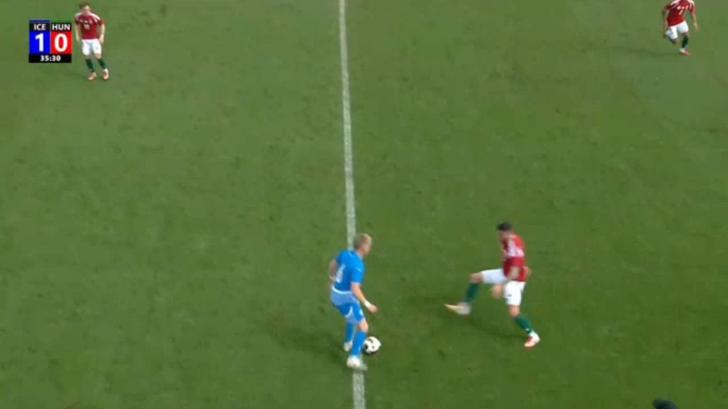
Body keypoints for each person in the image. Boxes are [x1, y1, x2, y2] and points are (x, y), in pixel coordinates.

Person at [445, 222, 541, 348]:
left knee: (514, 312)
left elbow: (514, 272)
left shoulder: (514, 249)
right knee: (475, 278)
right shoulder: (509, 240)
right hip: (505, 273)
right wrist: (506, 258)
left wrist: (500, 286)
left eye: (500, 235)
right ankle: (465, 307)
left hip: (514, 280)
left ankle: (533, 336)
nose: (498, 237)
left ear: (508, 233)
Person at [329, 233, 378, 371]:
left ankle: (348, 343)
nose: (370, 248)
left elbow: (333, 264)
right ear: (363, 247)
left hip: (336, 293)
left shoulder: (345, 254)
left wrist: (331, 279)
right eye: (369, 245)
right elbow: (355, 288)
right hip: (346, 298)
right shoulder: (358, 266)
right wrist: (368, 304)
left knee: (352, 318)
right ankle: (354, 358)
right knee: (363, 327)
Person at [74, 2, 110, 80]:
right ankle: (92, 73)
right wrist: (77, 35)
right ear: (81, 10)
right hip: (84, 40)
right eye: (85, 10)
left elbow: (102, 25)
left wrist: (102, 35)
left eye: (88, 9)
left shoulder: (94, 17)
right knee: (86, 56)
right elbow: (77, 25)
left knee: (97, 56)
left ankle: (105, 71)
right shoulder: (78, 16)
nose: (87, 11)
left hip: (94, 39)